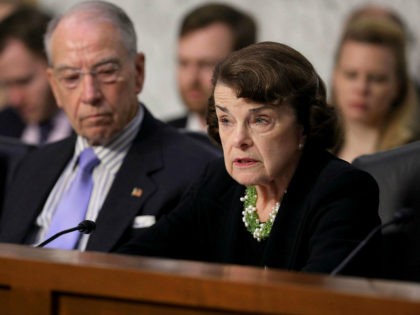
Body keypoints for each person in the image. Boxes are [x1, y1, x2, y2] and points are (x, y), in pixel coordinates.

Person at [117, 42, 381, 277]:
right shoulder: (218, 182)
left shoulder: (340, 191)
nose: (238, 139)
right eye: (226, 120)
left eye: (260, 120)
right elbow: (138, 258)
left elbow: (317, 300)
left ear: (304, 126)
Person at [0, 1, 219, 251]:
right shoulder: (31, 166)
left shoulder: (195, 172)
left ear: (137, 72)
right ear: (55, 86)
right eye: (71, 78)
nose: (89, 94)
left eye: (106, 72)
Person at [331, 16, 420, 162]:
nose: (361, 88)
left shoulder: (413, 159)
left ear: (397, 86)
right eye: (351, 75)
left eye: (377, 79)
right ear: (335, 77)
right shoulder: (308, 148)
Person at [167, 3, 256, 136]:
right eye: (184, 63)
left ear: (245, 65)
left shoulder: (267, 145)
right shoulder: (158, 140)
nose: (192, 78)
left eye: (207, 64)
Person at [0, 6, 73, 145]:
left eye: (24, 82)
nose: (15, 100)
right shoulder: (3, 129)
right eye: (6, 85)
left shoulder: (94, 128)